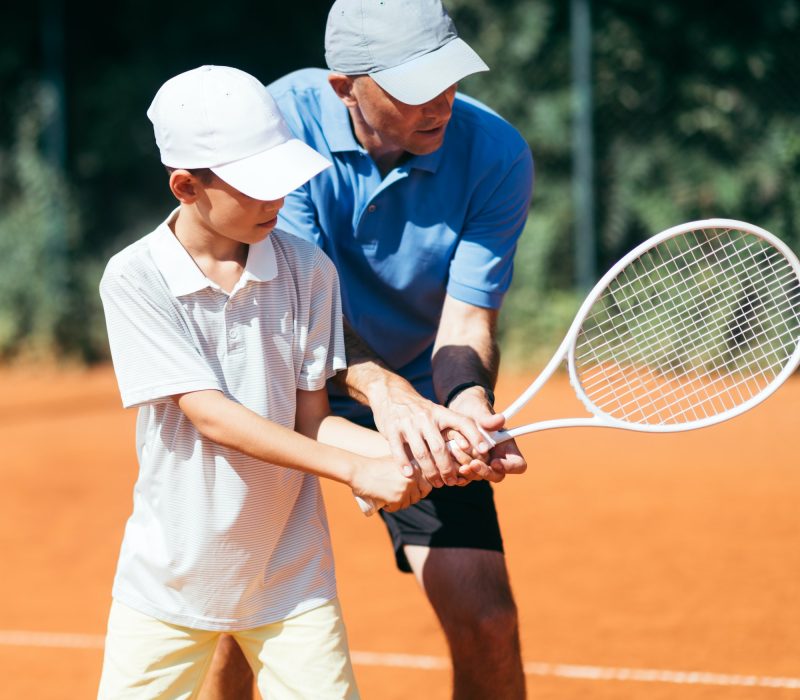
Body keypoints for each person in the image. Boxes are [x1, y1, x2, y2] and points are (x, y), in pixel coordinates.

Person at [206, 1, 535, 698]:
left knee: (488, 620)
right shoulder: (278, 129)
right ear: (343, 87)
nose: (442, 101)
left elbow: (468, 322)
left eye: (449, 78)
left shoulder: (495, 152)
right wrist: (389, 395)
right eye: (416, 86)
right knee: (238, 624)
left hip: (416, 395)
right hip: (276, 390)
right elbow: (297, 313)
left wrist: (465, 405)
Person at [95, 64, 434, 700]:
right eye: (254, 187)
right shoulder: (135, 277)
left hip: (291, 573)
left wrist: (412, 448)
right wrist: (353, 470)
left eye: (281, 179)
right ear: (186, 186)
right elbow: (212, 415)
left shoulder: (308, 269)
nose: (276, 200)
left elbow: (310, 419)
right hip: (171, 575)